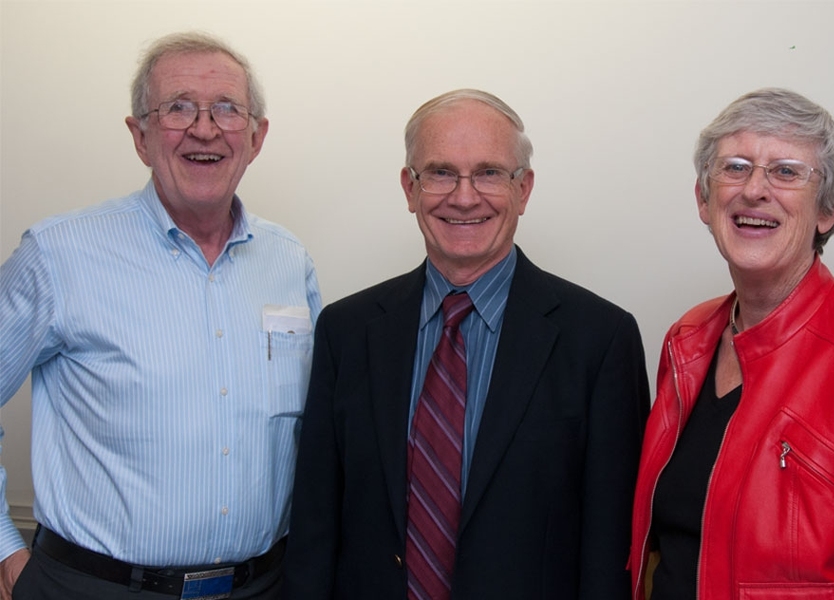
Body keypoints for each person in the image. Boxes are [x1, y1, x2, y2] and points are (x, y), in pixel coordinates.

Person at [281, 88, 650, 600]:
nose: (464, 196)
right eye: (440, 172)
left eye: (489, 173)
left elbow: (611, 548)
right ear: (410, 189)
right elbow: (315, 527)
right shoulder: (347, 331)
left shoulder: (600, 340)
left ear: (524, 189)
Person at [0, 31, 321, 599]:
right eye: (178, 108)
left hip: (265, 587)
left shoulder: (289, 261)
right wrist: (6, 550)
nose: (205, 128)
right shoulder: (58, 255)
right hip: (91, 588)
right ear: (140, 135)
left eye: (227, 109)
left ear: (256, 136)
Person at [629, 88, 834, 599]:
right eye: (735, 167)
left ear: (829, 208)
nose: (755, 190)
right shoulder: (686, 340)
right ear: (704, 201)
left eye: (787, 171)